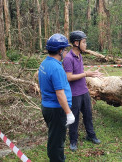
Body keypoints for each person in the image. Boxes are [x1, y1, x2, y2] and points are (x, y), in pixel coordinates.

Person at [63, 30, 103, 151]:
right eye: (84, 42)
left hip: (84, 91)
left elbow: (79, 74)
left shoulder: (79, 55)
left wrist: (89, 74)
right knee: (74, 118)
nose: (86, 45)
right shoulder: (68, 58)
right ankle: (73, 141)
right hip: (74, 94)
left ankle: (91, 135)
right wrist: (87, 74)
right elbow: (69, 77)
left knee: (88, 115)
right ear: (76, 43)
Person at [38, 33, 75, 162]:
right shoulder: (56, 68)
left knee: (54, 136)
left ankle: (57, 156)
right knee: (57, 140)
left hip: (48, 106)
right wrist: (68, 112)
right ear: (60, 51)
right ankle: (57, 159)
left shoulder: (45, 63)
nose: (66, 52)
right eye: (65, 49)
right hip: (56, 109)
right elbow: (60, 94)